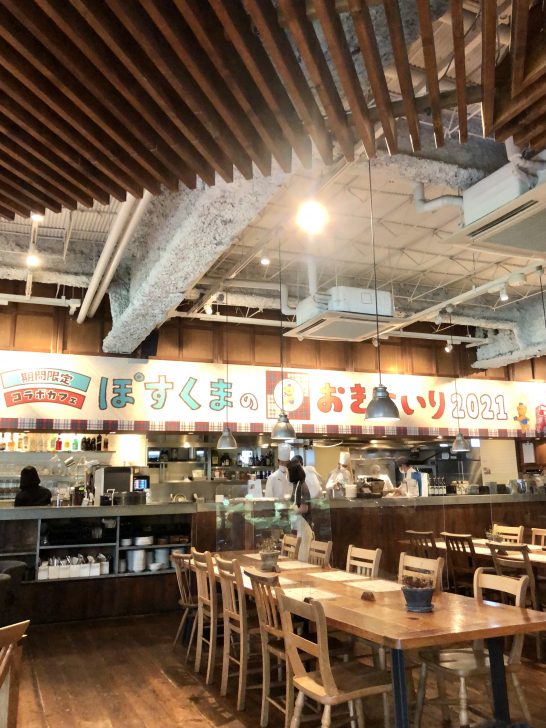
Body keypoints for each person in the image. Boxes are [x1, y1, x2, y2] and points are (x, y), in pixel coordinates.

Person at [287, 460, 313, 561]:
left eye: (288, 471)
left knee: (302, 558)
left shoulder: (302, 486)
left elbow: (304, 508)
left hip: (304, 526)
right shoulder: (296, 485)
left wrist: (291, 508)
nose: (287, 474)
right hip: (299, 527)